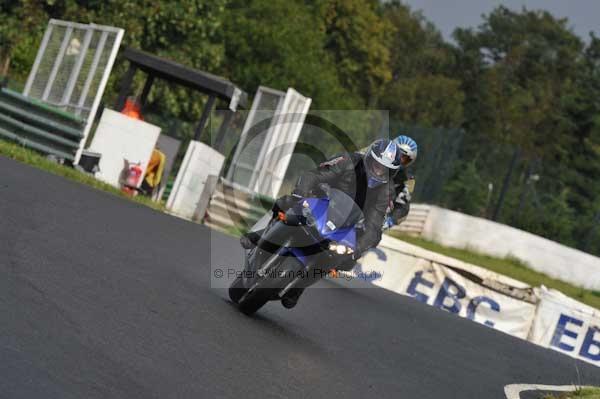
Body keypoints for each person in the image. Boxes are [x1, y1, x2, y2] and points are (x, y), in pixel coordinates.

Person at [240, 138, 404, 308]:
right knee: (287, 203)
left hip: (346, 225)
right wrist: (300, 194)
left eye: (384, 170)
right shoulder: (347, 161)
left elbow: (375, 226)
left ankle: (299, 287)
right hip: (320, 202)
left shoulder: (387, 191)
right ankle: (258, 235)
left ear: (391, 173)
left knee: (339, 257)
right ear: (368, 158)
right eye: (376, 165)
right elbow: (314, 175)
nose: (378, 172)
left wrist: (358, 248)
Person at [383, 135, 418, 230]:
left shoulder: (408, 180)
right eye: (397, 153)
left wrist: (390, 221)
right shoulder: (374, 156)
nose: (399, 158)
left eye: (404, 157)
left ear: (409, 161)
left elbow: (403, 207)